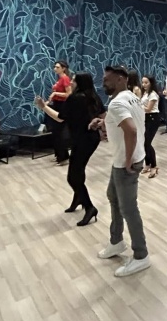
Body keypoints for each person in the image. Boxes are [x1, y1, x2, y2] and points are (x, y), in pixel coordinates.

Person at [92, 64, 150, 277]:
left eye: (107, 80)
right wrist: (103, 122)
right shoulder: (131, 97)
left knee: (128, 209)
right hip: (127, 159)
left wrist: (127, 160)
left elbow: (131, 130)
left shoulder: (117, 103)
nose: (103, 83)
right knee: (113, 196)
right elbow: (128, 122)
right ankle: (116, 242)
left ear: (120, 79)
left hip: (127, 163)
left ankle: (141, 255)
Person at [34, 72, 104, 225]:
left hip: (82, 140)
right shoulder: (93, 95)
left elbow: (60, 118)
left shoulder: (75, 98)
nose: (71, 82)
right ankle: (78, 198)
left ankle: (89, 207)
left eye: (73, 80)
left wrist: (43, 106)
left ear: (79, 83)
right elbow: (103, 113)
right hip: (92, 139)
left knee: (72, 177)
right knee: (78, 171)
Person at [45, 59, 72, 163]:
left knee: (59, 131)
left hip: (62, 106)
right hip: (56, 104)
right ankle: (59, 154)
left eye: (57, 67)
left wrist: (56, 94)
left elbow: (69, 94)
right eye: (54, 67)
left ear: (63, 68)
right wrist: (48, 101)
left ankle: (63, 156)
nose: (55, 69)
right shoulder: (59, 79)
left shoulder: (65, 78)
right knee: (55, 131)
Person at [140, 75, 160, 177]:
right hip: (145, 119)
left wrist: (137, 106)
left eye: (146, 82)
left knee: (147, 143)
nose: (144, 85)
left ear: (151, 83)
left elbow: (148, 109)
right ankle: (147, 164)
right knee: (143, 143)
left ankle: (154, 166)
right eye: (143, 82)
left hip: (153, 118)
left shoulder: (153, 94)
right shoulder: (145, 93)